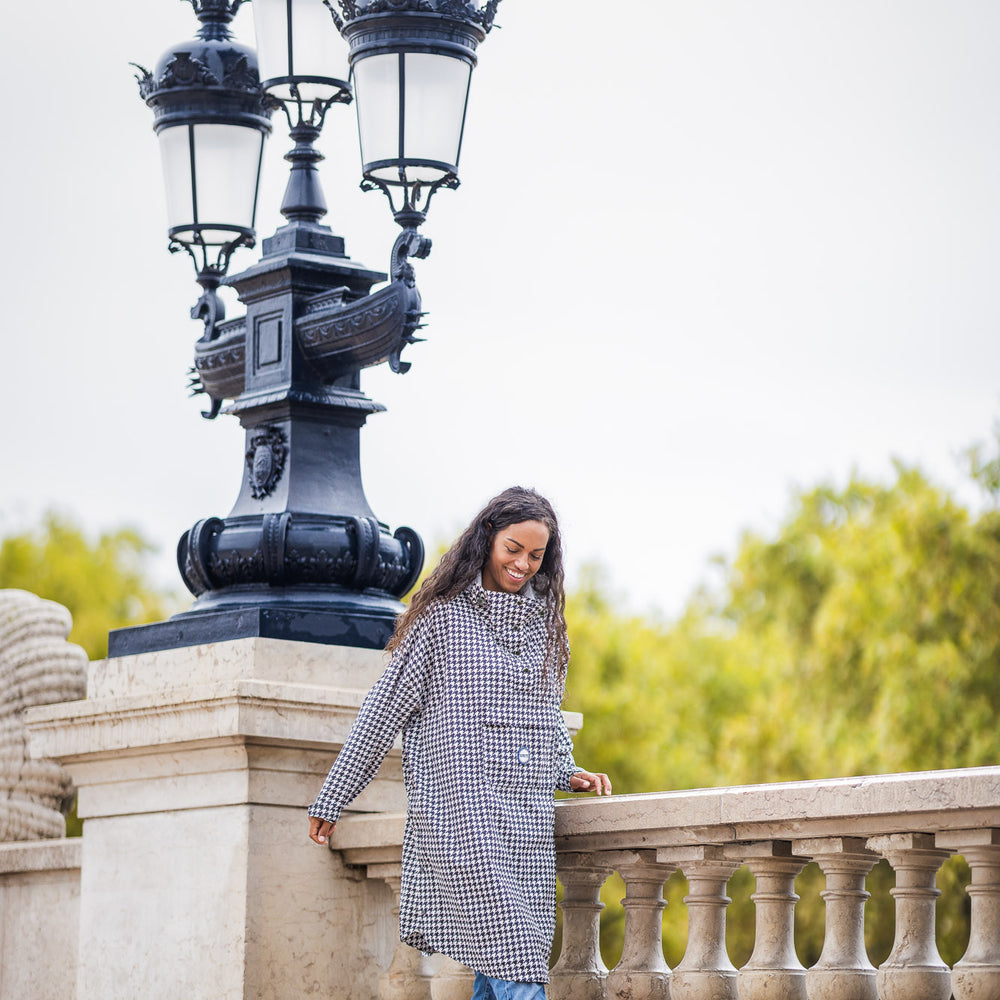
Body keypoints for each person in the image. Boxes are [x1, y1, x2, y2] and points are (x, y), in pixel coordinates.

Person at [307, 486, 612, 1000]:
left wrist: (566, 769)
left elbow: (544, 715)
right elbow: (382, 711)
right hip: (461, 817)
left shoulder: (546, 627)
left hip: (525, 822)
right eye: (513, 548)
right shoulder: (441, 619)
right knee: (516, 958)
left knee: (503, 965)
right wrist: (334, 796)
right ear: (487, 537)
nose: (523, 564)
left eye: (536, 555)